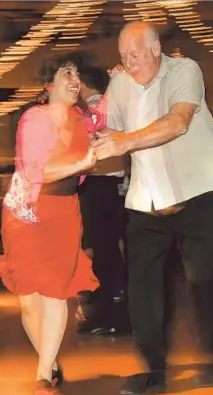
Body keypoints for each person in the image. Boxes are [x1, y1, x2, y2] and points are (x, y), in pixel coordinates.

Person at [93, 21, 213, 395]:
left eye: (134, 54)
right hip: (145, 200)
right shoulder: (120, 84)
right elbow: (106, 131)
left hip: (194, 193)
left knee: (202, 279)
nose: (127, 62)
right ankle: (153, 368)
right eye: (122, 56)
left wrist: (124, 142)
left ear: (155, 49)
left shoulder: (185, 71)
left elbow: (178, 121)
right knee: (143, 289)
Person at [0, 53, 101, 395]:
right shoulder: (32, 118)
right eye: (67, 72)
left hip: (64, 211)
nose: (75, 80)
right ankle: (49, 360)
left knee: (56, 291)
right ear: (48, 84)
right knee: (29, 300)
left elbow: (109, 111)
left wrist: (123, 77)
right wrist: (82, 162)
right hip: (26, 212)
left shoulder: (84, 118)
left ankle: (43, 375)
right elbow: (35, 172)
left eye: (78, 73)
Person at [75, 66, 129, 335]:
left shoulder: (94, 109)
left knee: (103, 251)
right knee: (110, 250)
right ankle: (112, 311)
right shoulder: (107, 106)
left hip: (99, 184)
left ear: (83, 83)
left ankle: (109, 315)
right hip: (111, 184)